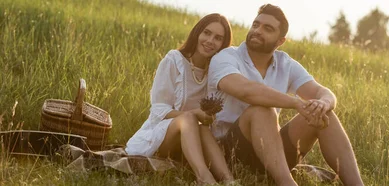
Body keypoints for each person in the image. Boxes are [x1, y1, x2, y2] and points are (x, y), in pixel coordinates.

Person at [207, 4, 364, 186]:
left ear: (280, 41)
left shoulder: (285, 64)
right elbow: (247, 91)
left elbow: (323, 92)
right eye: (256, 24)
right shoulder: (226, 57)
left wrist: (323, 104)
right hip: (229, 154)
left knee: (324, 112)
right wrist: (296, 103)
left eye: (268, 28)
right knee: (261, 110)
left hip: (272, 153)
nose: (258, 31)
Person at [125, 13, 234, 185]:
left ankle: (229, 181)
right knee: (189, 118)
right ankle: (204, 177)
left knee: (203, 127)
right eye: (206, 33)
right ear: (197, 33)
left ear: (223, 45)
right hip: (163, 135)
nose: (210, 40)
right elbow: (158, 110)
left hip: (193, 141)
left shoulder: (215, 73)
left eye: (218, 38)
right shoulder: (174, 60)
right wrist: (194, 114)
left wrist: (206, 117)